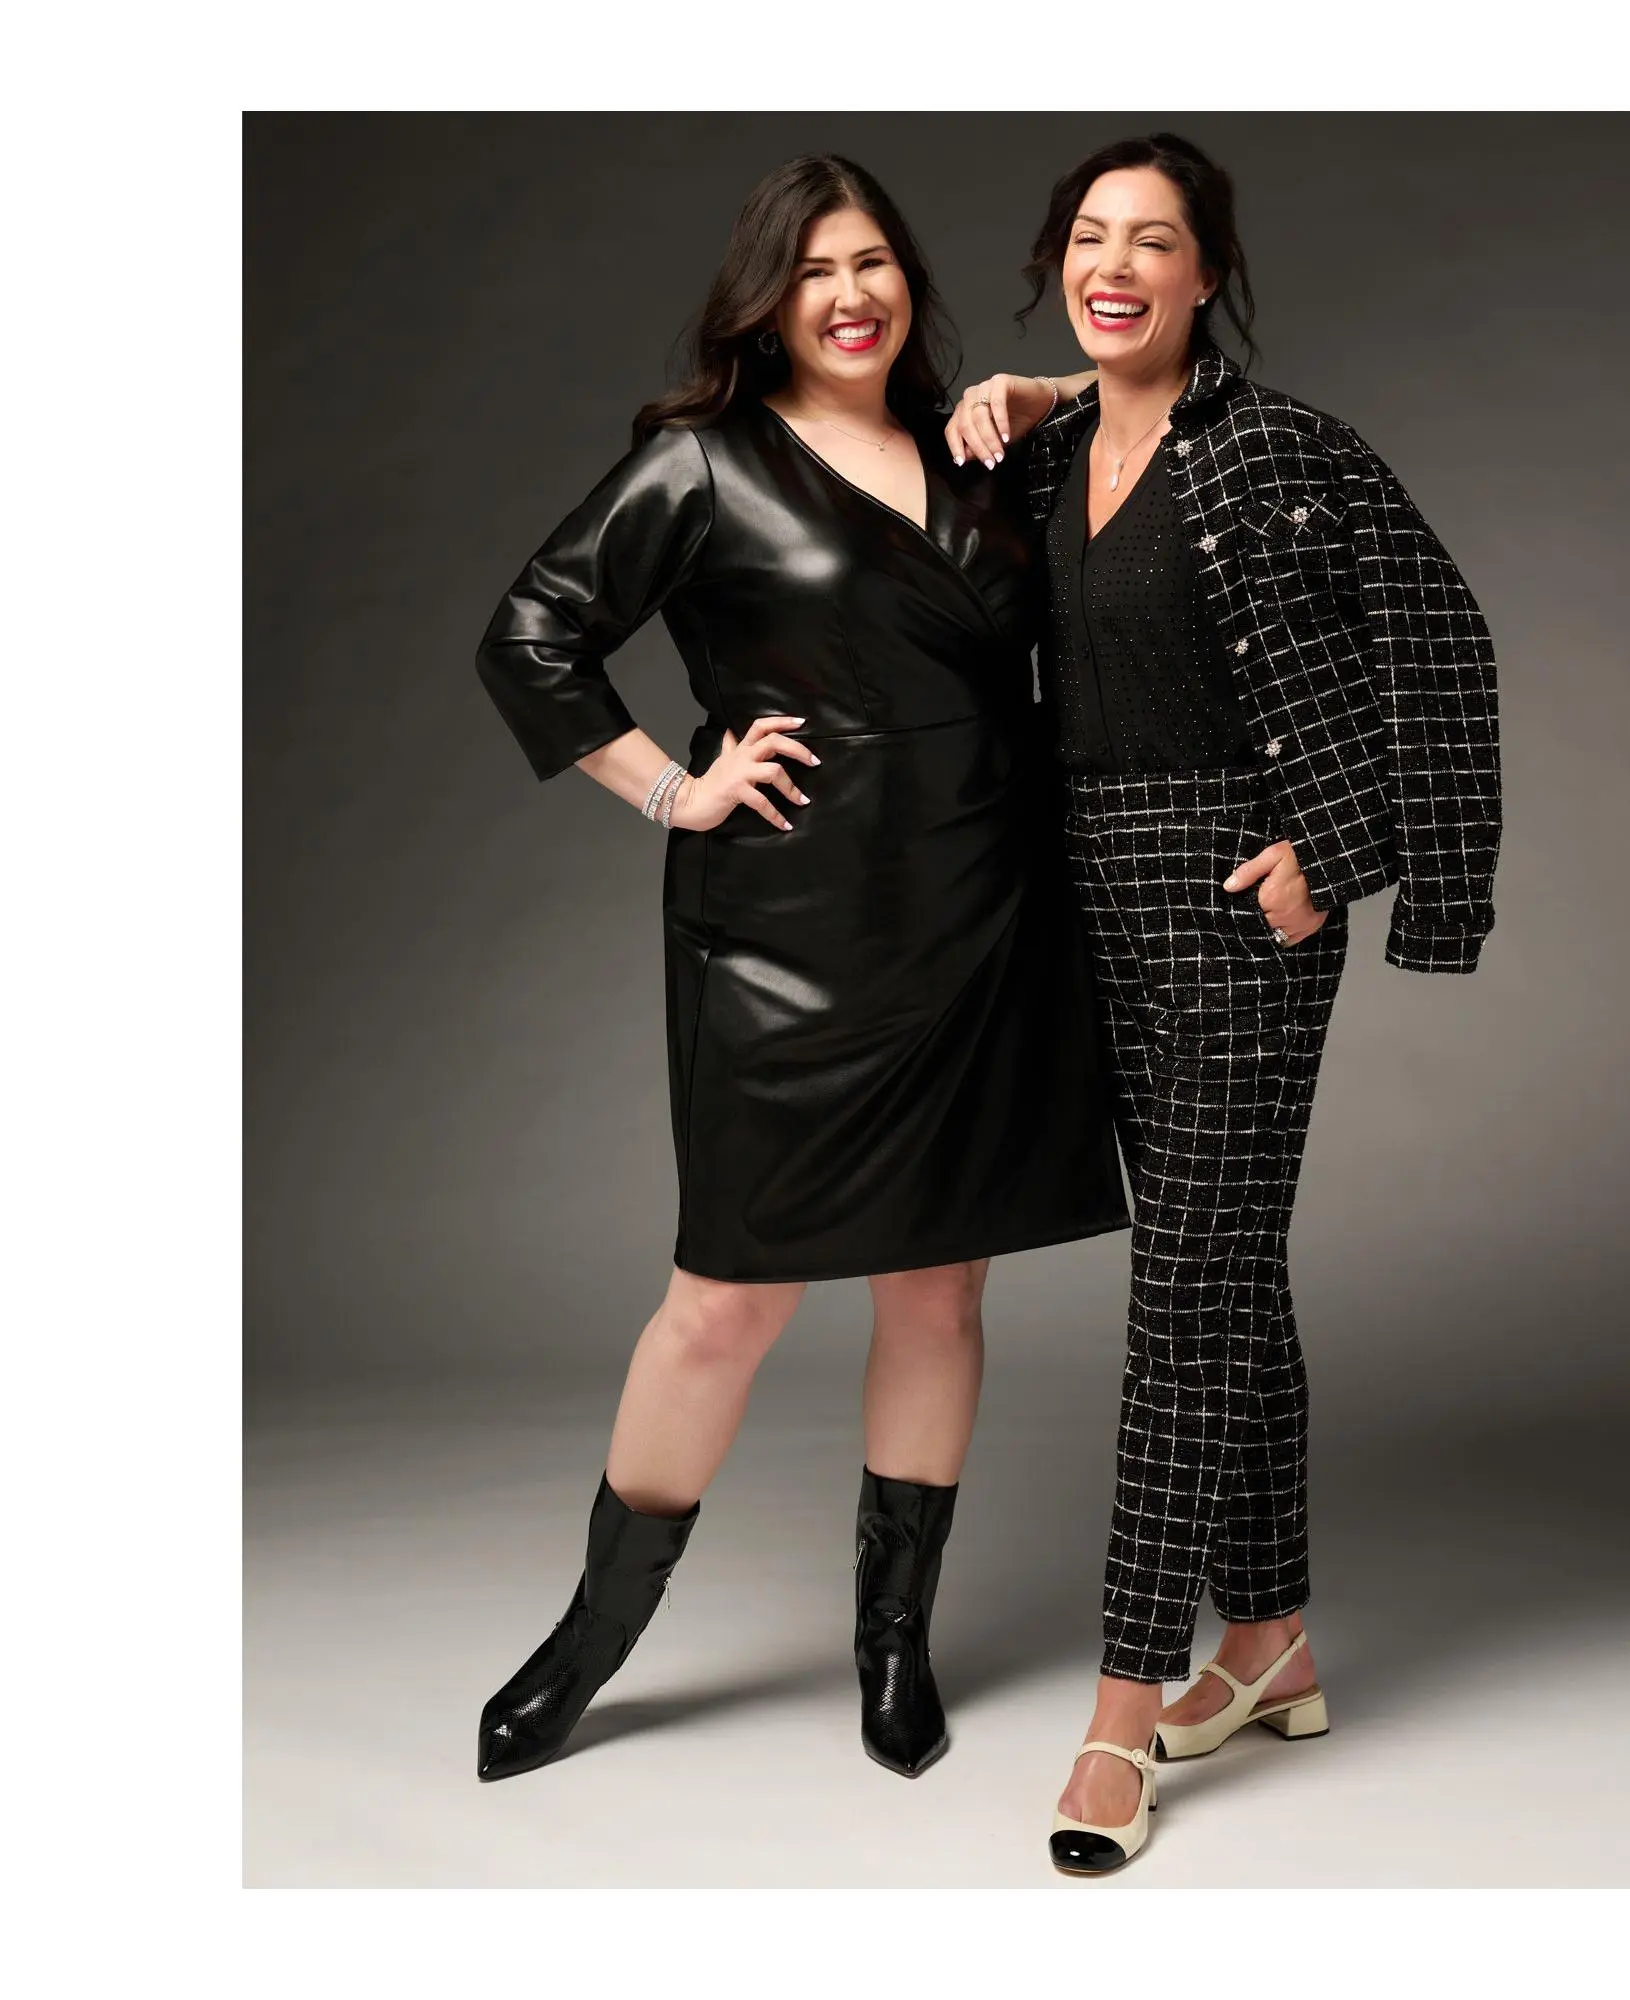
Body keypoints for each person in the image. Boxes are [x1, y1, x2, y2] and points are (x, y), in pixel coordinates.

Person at [471, 154, 1128, 1787]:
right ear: (765, 300)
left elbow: (1158, 396)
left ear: (911, 282)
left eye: (875, 263)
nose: (850, 296)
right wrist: (670, 789)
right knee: (725, 1301)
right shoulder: (703, 462)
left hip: (985, 909)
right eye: (816, 270)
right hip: (784, 935)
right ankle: (588, 1643)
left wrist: (1041, 386)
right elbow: (532, 633)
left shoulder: (982, 452)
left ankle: (894, 1643)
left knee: (942, 1285)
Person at [946, 131, 1502, 1873]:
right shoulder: (1050, 455)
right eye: (1089, 237)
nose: (1116, 265)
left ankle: (1123, 1707)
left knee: (1185, 1284)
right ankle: (1268, 1643)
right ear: (1058, 264)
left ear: (1208, 275)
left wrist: (1344, 850)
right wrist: (1037, 391)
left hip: (1235, 901)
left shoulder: (1286, 451)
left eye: (1154, 241)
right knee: (1226, 1262)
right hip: (1087, 891)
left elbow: (1445, 645)